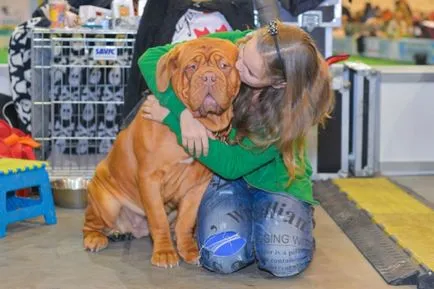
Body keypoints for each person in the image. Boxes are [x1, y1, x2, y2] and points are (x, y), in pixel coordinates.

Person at [139, 21, 334, 277]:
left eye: (250, 72)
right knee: (221, 258)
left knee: (283, 261)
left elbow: (231, 164)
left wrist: (171, 119)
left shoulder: (292, 114)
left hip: (276, 185)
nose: (238, 68)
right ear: (251, 38)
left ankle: (283, 227)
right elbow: (152, 58)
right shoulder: (243, 42)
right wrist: (182, 112)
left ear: (278, 83)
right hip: (224, 182)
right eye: (241, 56)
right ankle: (255, 228)